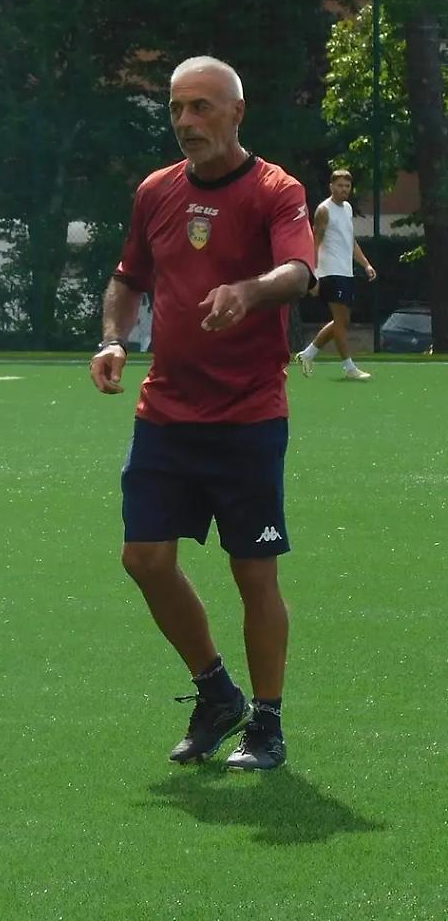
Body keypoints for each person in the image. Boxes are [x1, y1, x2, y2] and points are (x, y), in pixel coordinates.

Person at [90, 56, 314, 772]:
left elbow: (299, 272)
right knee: (144, 558)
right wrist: (114, 339)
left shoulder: (277, 190)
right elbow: (127, 279)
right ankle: (216, 693)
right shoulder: (156, 191)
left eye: (203, 108)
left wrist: (249, 292)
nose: (188, 122)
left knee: (255, 575)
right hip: (167, 414)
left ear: (237, 112)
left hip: (248, 416)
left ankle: (268, 724)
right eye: (178, 109)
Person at [295, 169, 376, 380]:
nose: (344, 189)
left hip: (345, 272)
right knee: (341, 321)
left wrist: (366, 264)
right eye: (339, 185)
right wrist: (312, 275)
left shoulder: (347, 208)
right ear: (331, 186)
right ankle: (349, 368)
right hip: (329, 272)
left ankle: (307, 354)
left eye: (347, 186)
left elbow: (350, 241)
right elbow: (315, 241)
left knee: (343, 321)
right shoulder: (324, 210)